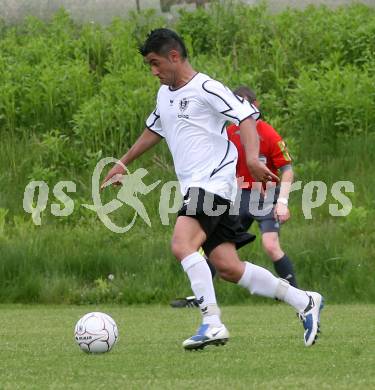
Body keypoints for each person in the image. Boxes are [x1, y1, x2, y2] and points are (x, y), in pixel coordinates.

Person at [101, 28, 324, 350]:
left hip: (214, 183)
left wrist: (250, 157)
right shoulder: (165, 94)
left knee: (182, 244)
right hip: (198, 186)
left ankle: (212, 323)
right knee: (228, 267)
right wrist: (123, 162)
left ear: (174, 56)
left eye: (155, 63)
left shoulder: (207, 88)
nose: (153, 71)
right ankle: (304, 300)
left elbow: (246, 118)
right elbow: (154, 129)